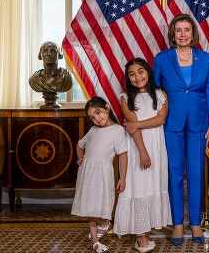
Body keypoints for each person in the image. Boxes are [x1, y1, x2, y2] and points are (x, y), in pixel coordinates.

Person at [152, 14, 209, 246]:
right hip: (171, 124)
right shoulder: (161, 59)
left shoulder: (205, 59)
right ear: (172, 34)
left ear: (193, 34)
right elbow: (156, 93)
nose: (182, 34)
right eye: (178, 30)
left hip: (199, 124)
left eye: (186, 30)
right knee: (175, 174)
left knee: (197, 173)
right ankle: (178, 224)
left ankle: (196, 223)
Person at [114, 58, 172, 253]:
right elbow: (131, 127)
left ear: (148, 72)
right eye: (132, 74)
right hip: (137, 146)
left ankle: (144, 234)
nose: (137, 77)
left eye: (140, 71)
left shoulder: (160, 94)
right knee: (137, 187)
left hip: (156, 144)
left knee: (151, 186)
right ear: (128, 78)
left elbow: (160, 119)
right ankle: (141, 239)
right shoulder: (125, 97)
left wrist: (137, 124)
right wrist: (142, 151)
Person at [71, 97, 128, 253]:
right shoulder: (93, 130)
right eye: (92, 117)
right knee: (87, 207)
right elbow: (79, 144)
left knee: (95, 208)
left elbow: (123, 154)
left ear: (107, 108)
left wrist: (122, 177)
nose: (97, 118)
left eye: (98, 113)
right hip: (86, 173)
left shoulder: (117, 130)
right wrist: (80, 156)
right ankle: (96, 242)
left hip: (102, 174)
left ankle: (104, 223)